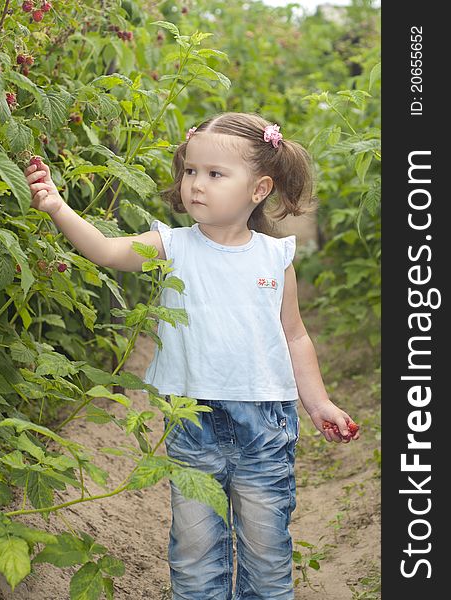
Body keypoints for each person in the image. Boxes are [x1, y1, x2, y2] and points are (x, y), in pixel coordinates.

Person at [24, 111, 360, 600]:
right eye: (190, 171)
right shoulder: (172, 246)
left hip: (265, 424)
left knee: (267, 557)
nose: (196, 185)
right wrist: (57, 207)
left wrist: (319, 404)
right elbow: (107, 251)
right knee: (195, 556)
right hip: (191, 421)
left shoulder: (274, 257)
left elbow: (294, 337)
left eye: (215, 174)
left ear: (259, 189)